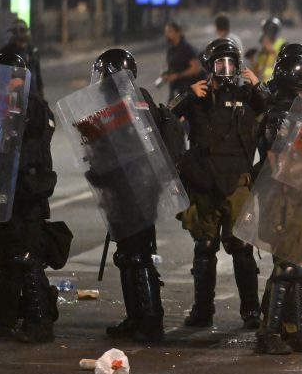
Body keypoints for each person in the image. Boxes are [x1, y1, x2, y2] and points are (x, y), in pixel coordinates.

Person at [87, 49, 184, 343]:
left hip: (132, 188)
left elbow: (119, 150)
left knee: (138, 255)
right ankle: (136, 317)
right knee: (128, 255)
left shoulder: (122, 104)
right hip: (141, 187)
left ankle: (151, 320)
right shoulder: (141, 97)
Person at [171, 38, 268, 330]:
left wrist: (259, 88)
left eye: (231, 64)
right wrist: (186, 96)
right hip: (204, 181)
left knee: (241, 247)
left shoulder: (248, 95)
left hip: (237, 181)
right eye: (219, 64)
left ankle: (251, 310)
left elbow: (277, 115)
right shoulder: (198, 96)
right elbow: (164, 118)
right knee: (204, 246)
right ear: (209, 67)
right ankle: (203, 309)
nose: (225, 70)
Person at [0, 52, 58, 343]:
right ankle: (4, 319)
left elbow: (31, 135)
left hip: (26, 194)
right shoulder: (4, 105)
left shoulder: (31, 106)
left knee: (26, 258)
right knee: (8, 258)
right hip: (4, 192)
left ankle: (40, 322)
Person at [255, 52, 302, 355]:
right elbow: (277, 163)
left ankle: (295, 330)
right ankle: (269, 332)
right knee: (286, 266)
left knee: (298, 265)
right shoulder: (280, 115)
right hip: (283, 199)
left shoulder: (300, 111)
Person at [0, 20, 44, 99]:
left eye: (22, 31)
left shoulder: (33, 51)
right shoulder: (5, 53)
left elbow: (38, 77)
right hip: (13, 98)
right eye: (16, 32)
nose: (20, 35)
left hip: (32, 97)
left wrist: (41, 99)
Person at [162, 22, 202, 102]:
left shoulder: (187, 48)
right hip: (175, 91)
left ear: (178, 32)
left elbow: (195, 68)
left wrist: (177, 76)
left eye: (170, 31)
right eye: (166, 32)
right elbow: (170, 66)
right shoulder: (171, 50)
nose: (167, 34)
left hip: (188, 91)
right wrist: (165, 73)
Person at [252, 17, 286, 83]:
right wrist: (253, 60)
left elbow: (286, 64)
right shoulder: (263, 50)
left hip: (277, 84)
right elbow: (258, 70)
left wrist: (272, 51)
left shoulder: (283, 45)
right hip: (263, 85)